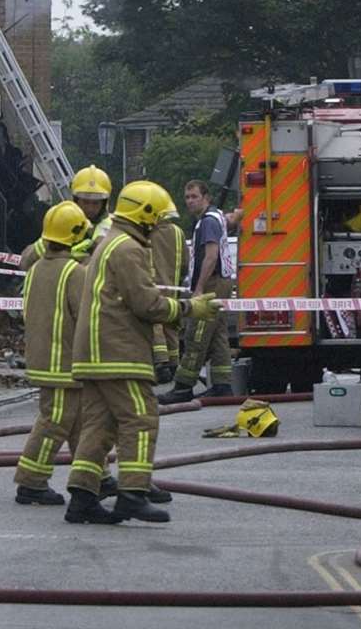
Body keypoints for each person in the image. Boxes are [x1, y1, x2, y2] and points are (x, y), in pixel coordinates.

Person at [67, 181, 220, 524]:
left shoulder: (110, 242)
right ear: (145, 215)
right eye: (157, 219)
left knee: (98, 427)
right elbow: (146, 304)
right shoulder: (129, 249)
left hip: (93, 354)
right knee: (141, 418)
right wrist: (190, 308)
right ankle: (132, 494)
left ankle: (81, 498)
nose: (158, 226)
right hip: (118, 353)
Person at [13, 202, 91, 506]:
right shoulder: (75, 272)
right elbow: (87, 317)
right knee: (55, 421)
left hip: (44, 357)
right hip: (65, 362)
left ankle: (94, 477)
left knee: (79, 422)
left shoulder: (36, 268)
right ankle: (31, 481)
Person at [160, 180, 234, 403]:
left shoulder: (208, 222)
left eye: (194, 196)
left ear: (206, 198)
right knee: (219, 335)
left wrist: (199, 288)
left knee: (196, 334)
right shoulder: (215, 216)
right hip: (222, 281)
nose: (190, 201)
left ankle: (182, 387)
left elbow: (211, 256)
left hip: (211, 283)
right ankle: (223, 386)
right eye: (187, 197)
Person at [150, 201, 187, 384]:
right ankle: (174, 363)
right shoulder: (178, 232)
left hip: (153, 285)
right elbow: (186, 263)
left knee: (156, 324)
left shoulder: (148, 232)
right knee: (171, 324)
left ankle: (161, 362)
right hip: (174, 286)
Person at [69, 164, 113, 255]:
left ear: (104, 203)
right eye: (85, 202)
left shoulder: (113, 228)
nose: (90, 208)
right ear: (76, 200)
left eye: (96, 203)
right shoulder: (62, 224)